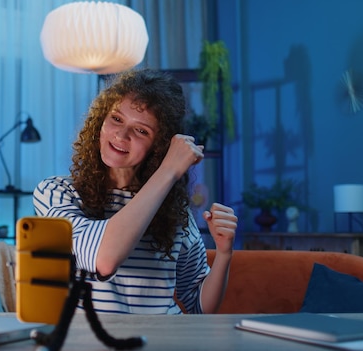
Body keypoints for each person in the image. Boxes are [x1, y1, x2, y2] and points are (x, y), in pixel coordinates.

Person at [33, 68, 237, 314]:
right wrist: (169, 170)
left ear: (159, 146)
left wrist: (224, 253)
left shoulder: (174, 211)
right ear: (100, 120)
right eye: (116, 119)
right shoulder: (56, 192)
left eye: (142, 130)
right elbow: (103, 259)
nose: (121, 134)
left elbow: (198, 305)